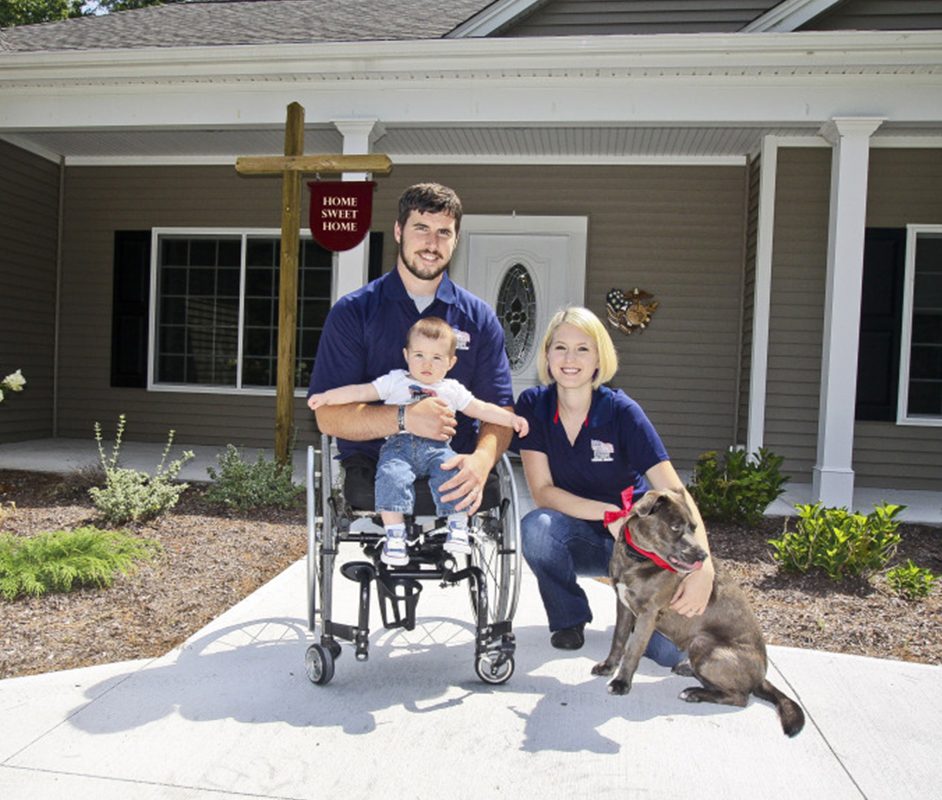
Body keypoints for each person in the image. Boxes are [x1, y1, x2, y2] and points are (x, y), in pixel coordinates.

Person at [308, 182, 516, 542]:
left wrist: (480, 463)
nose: (432, 244)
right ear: (399, 231)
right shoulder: (354, 312)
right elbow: (327, 415)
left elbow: (498, 409)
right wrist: (405, 418)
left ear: (456, 239)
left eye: (443, 233)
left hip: (453, 459)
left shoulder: (479, 319)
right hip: (376, 463)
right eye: (421, 228)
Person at [514, 306, 715, 664]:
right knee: (537, 528)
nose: (570, 359)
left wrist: (705, 569)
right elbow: (543, 492)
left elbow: (675, 492)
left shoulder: (622, 412)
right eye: (560, 348)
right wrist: (612, 515)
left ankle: (636, 602)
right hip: (580, 539)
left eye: (582, 349)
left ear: (598, 359)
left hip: (640, 548)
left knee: (668, 654)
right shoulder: (534, 405)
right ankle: (569, 619)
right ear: (546, 356)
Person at [309, 316, 528, 565]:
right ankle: (395, 536)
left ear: (451, 362)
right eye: (419, 355)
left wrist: (511, 420)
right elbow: (360, 392)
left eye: (437, 358)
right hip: (398, 447)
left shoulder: (452, 389)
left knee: (453, 473)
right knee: (390, 476)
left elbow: (482, 409)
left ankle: (457, 526)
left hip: (438, 448)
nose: (427, 364)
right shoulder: (395, 381)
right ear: (406, 355)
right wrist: (327, 397)